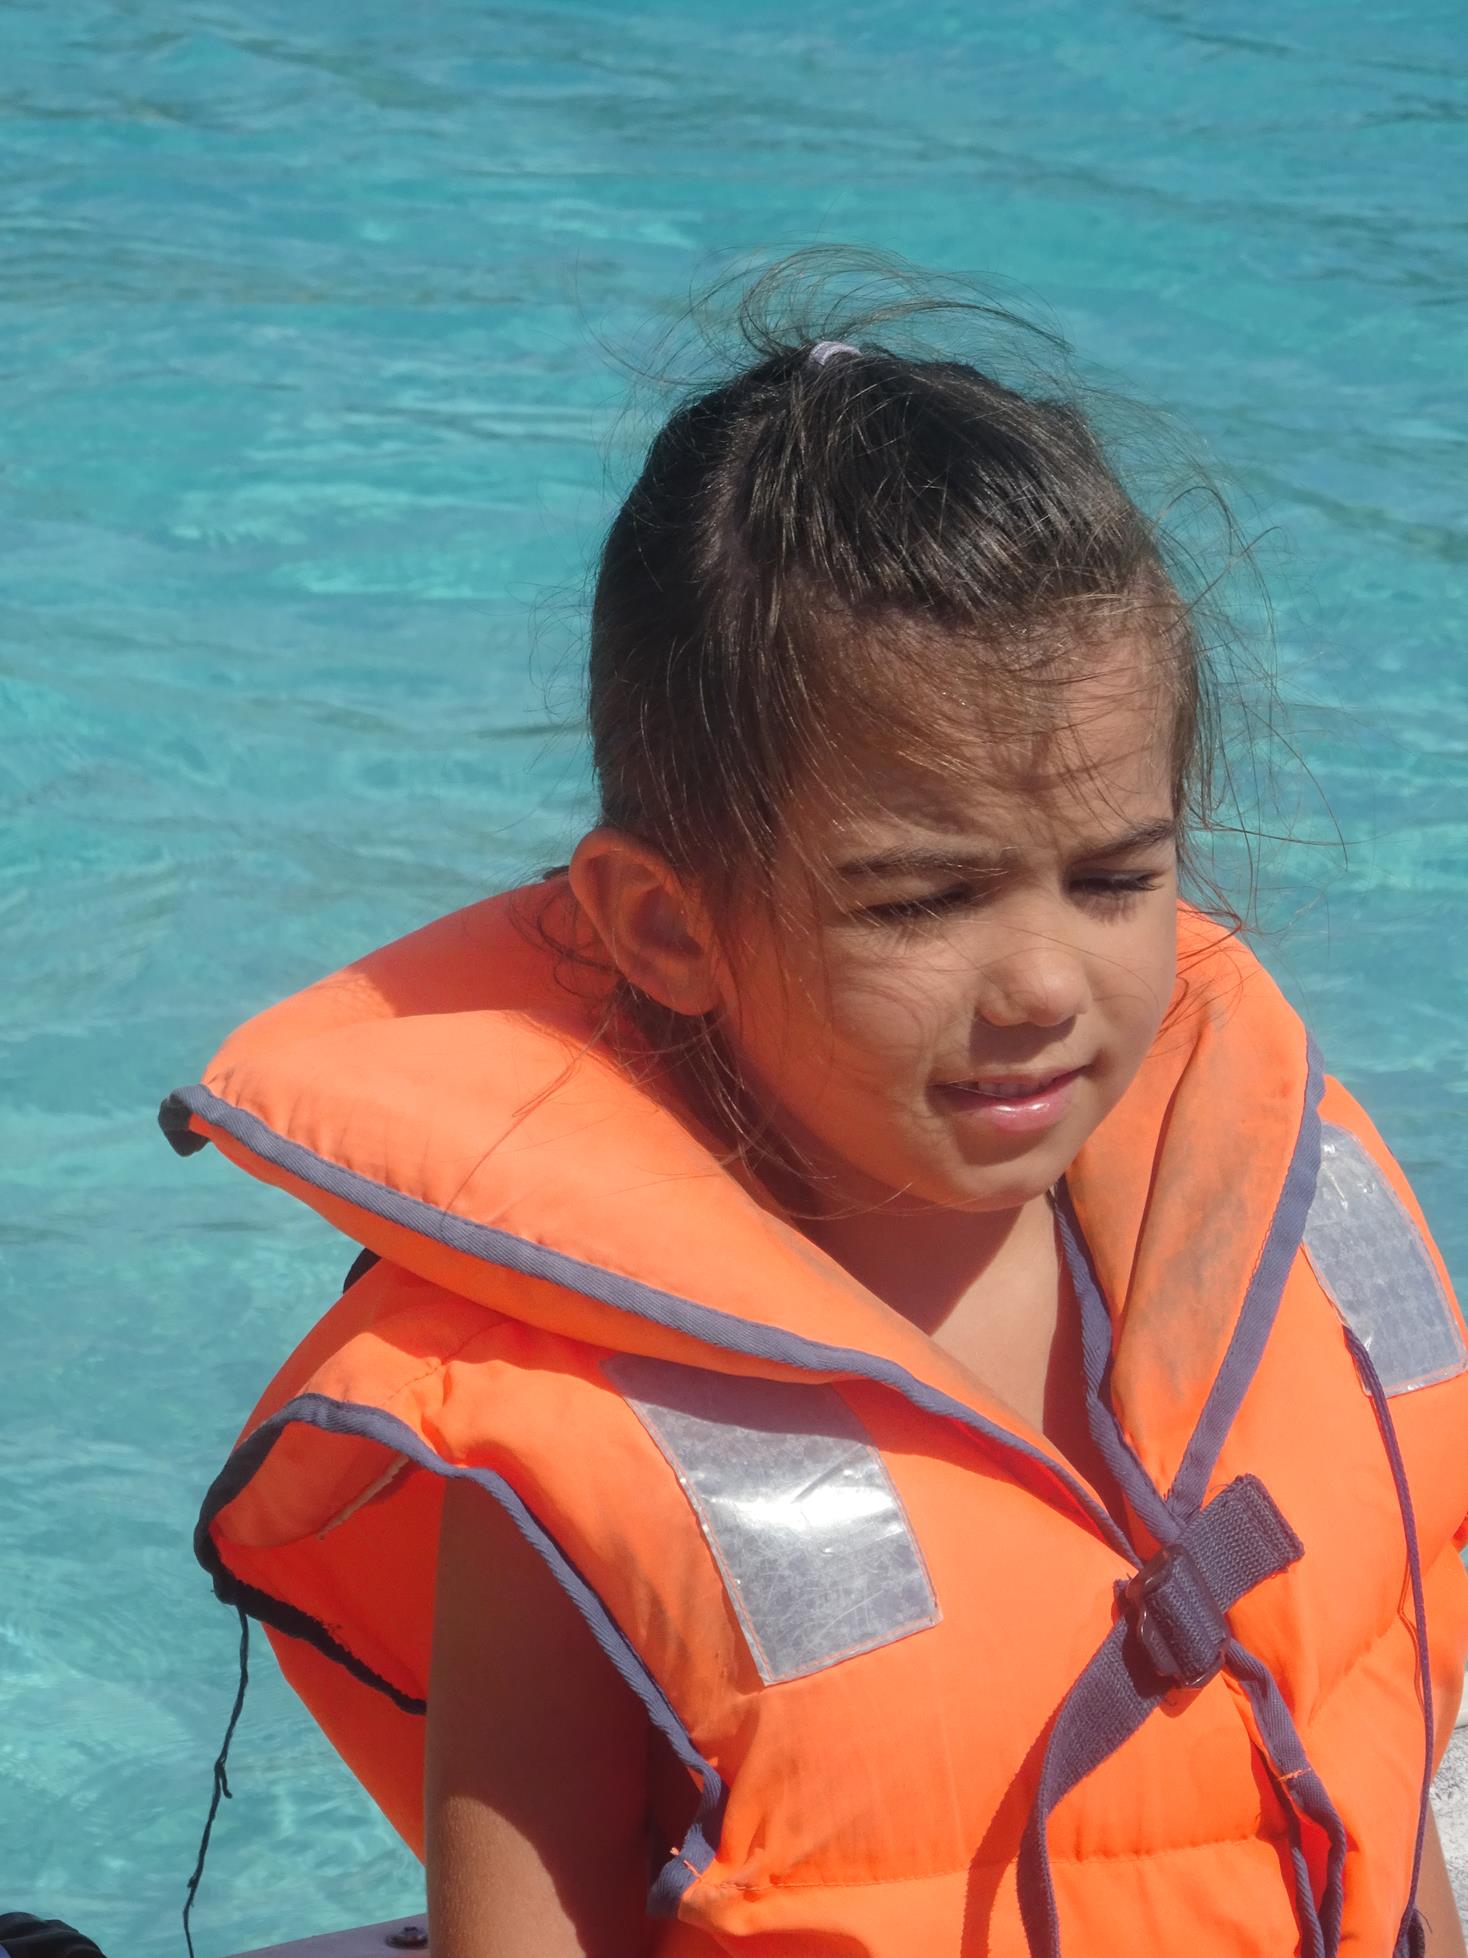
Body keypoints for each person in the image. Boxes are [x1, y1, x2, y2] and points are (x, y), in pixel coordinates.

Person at [162, 261, 1468, 1957]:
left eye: (1115, 876)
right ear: (665, 926)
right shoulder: (572, 1436)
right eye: (921, 901)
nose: (1042, 983)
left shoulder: (1285, 1256)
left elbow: (1375, 1762)